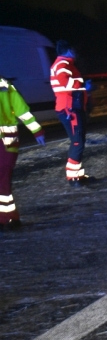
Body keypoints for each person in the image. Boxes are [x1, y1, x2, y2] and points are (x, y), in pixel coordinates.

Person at [0, 77, 45, 230]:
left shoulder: (4, 85)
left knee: (3, 182)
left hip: (5, 141)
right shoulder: (4, 84)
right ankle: (9, 218)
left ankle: (8, 218)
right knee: (3, 182)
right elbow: (21, 110)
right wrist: (37, 130)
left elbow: (21, 110)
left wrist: (36, 130)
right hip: (7, 141)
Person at [49, 40, 93, 186]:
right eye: (73, 49)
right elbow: (65, 83)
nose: (76, 51)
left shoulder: (66, 64)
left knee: (78, 140)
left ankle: (78, 175)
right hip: (70, 108)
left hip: (72, 107)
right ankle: (73, 178)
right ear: (67, 50)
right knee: (77, 142)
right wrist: (82, 85)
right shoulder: (62, 65)